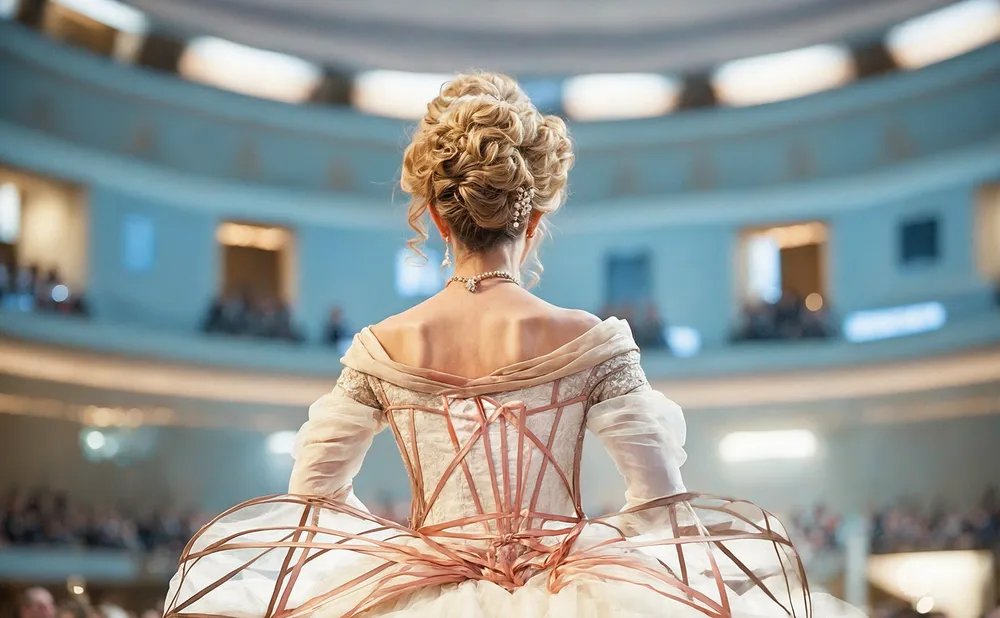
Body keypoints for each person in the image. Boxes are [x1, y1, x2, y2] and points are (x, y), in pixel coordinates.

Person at [163, 73, 862, 618]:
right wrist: (576, 549)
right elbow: (658, 502)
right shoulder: (593, 342)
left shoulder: (381, 347)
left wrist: (407, 552)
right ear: (534, 217)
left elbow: (312, 494)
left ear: (435, 214)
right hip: (572, 589)